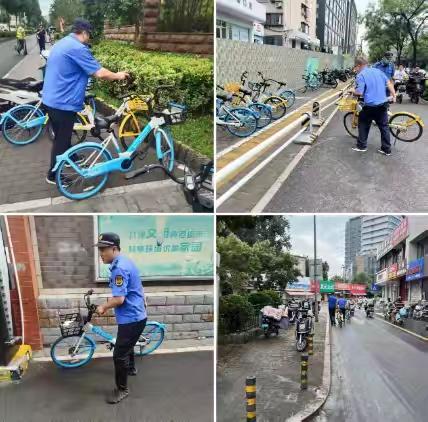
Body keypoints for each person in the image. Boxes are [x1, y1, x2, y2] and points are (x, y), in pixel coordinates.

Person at [42, 18, 129, 185]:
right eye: (89, 34)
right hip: (62, 102)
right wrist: (119, 75)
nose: (89, 38)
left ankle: (70, 158)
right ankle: (53, 175)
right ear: (84, 33)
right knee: (62, 139)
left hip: (51, 98)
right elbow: (100, 73)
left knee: (63, 135)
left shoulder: (63, 42)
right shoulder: (77, 48)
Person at [94, 232, 147, 404]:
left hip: (131, 318)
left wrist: (103, 306)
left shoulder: (119, 268)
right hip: (136, 316)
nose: (101, 254)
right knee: (127, 346)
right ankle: (131, 368)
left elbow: (119, 299)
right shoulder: (125, 261)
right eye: (99, 249)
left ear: (114, 248)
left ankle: (122, 389)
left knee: (119, 355)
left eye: (103, 249)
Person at [349, 57, 396, 156]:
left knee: (363, 124)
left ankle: (361, 146)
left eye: (355, 67)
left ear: (359, 65)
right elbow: (389, 83)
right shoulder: (378, 71)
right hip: (383, 104)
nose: (355, 70)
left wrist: (352, 90)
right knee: (384, 127)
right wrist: (394, 95)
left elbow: (359, 92)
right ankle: (386, 149)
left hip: (370, 106)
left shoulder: (361, 75)